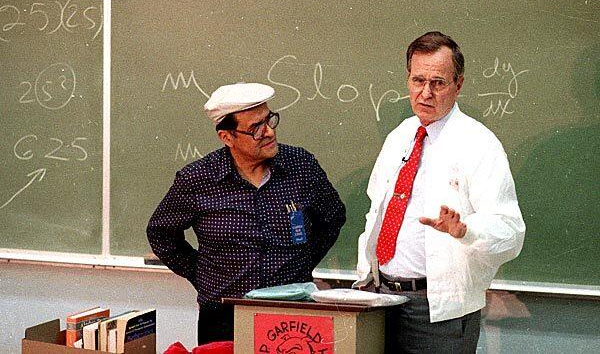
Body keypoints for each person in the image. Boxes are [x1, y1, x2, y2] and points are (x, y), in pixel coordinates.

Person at [355, 32, 526, 353]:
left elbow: (511, 231)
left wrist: (466, 230)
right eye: (418, 80)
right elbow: (375, 209)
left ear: (458, 84)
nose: (425, 93)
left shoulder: (479, 144)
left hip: (437, 308)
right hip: (380, 299)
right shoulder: (400, 136)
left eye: (438, 83)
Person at [147, 82, 345, 344]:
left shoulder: (301, 166)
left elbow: (332, 218)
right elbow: (161, 232)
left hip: (293, 312)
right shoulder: (197, 179)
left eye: (269, 120)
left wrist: (300, 263)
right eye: (255, 128)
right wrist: (202, 274)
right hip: (223, 315)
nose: (269, 132)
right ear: (227, 137)